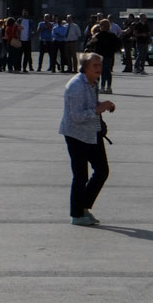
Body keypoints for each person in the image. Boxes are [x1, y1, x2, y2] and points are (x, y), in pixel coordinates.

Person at [58, 51, 115, 226]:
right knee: (81, 176)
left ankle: (84, 207)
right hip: (76, 135)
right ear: (85, 67)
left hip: (92, 133)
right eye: (95, 65)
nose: (99, 69)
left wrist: (103, 105)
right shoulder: (76, 85)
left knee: (102, 170)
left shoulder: (92, 83)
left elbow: (90, 107)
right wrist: (98, 110)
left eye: (100, 65)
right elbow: (76, 116)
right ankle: (77, 214)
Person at [86, 17, 121, 94]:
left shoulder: (99, 35)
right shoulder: (112, 35)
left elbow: (91, 42)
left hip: (99, 55)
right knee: (107, 71)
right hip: (109, 55)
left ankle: (100, 87)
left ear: (102, 26)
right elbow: (118, 44)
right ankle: (108, 87)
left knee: (99, 71)